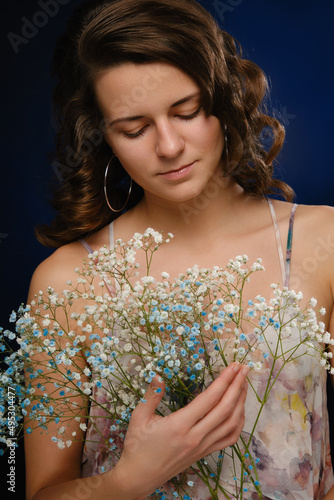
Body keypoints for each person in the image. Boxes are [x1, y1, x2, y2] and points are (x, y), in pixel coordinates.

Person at [24, 0, 334, 498]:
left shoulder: (320, 241)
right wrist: (130, 479)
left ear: (224, 100)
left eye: (185, 112)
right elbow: (35, 489)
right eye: (135, 128)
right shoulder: (67, 282)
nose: (168, 146)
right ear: (103, 135)